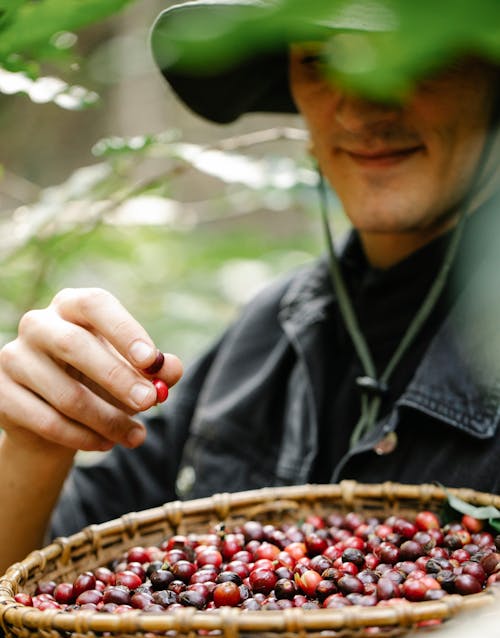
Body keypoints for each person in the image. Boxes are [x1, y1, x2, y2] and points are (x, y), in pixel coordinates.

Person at [0, 0, 499, 579]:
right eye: (321, 59)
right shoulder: (263, 338)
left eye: (415, 58)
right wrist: (38, 440)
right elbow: (38, 603)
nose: (361, 108)